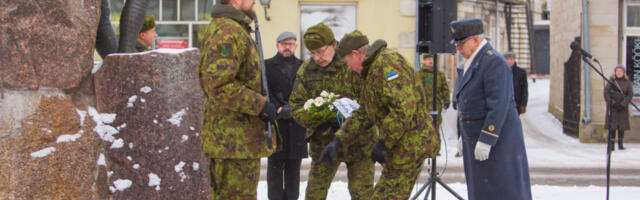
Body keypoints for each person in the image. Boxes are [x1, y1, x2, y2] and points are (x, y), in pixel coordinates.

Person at [326, 30, 438, 199]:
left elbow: (403, 108)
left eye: (346, 62)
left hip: (411, 145)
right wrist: (340, 140)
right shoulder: (371, 70)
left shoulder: (387, 64)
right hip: (402, 147)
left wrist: (384, 142)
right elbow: (364, 112)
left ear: (356, 54)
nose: (347, 67)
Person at [198, 0, 278, 199]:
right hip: (232, 142)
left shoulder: (235, 29)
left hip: (238, 141)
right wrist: (260, 105)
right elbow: (219, 84)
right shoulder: (227, 31)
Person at [289, 23, 375, 200]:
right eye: (312, 53)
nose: (317, 57)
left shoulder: (352, 64)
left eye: (320, 51)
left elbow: (371, 102)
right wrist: (313, 120)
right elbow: (296, 104)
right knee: (314, 193)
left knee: (363, 194)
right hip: (324, 143)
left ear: (333, 45)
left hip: (359, 142)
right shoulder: (307, 71)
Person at [451, 18, 532, 200]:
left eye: (462, 43)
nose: (458, 48)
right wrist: (463, 135)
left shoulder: (493, 62)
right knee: (483, 191)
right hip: (476, 140)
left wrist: (487, 137)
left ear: (476, 40)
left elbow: (498, 104)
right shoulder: (474, 61)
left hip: (497, 143)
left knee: (501, 190)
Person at [265, 32, 307, 200]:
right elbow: (264, 90)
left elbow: (307, 91)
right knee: (274, 174)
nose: (287, 47)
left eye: (291, 44)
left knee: (293, 175)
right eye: (284, 44)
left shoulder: (303, 66)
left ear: (296, 46)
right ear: (277, 45)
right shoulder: (266, 66)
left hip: (297, 127)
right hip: (276, 126)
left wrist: (293, 108)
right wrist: (277, 108)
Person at [417, 53, 450, 154]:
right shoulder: (418, 74)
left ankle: (435, 149)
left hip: (436, 107)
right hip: (422, 108)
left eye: (432, 59)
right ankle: (423, 148)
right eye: (428, 59)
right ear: (424, 61)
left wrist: (446, 101)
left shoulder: (439, 75)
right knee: (422, 128)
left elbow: (445, 89)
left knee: (435, 128)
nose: (431, 61)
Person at [604, 64, 633, 151]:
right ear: (615, 72)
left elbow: (630, 95)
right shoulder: (611, 82)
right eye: (617, 71)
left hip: (622, 108)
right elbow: (606, 93)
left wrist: (623, 104)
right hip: (613, 108)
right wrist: (612, 103)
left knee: (622, 127)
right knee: (612, 127)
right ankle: (611, 145)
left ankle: (620, 144)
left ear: (623, 72)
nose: (619, 72)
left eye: (621, 71)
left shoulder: (627, 83)